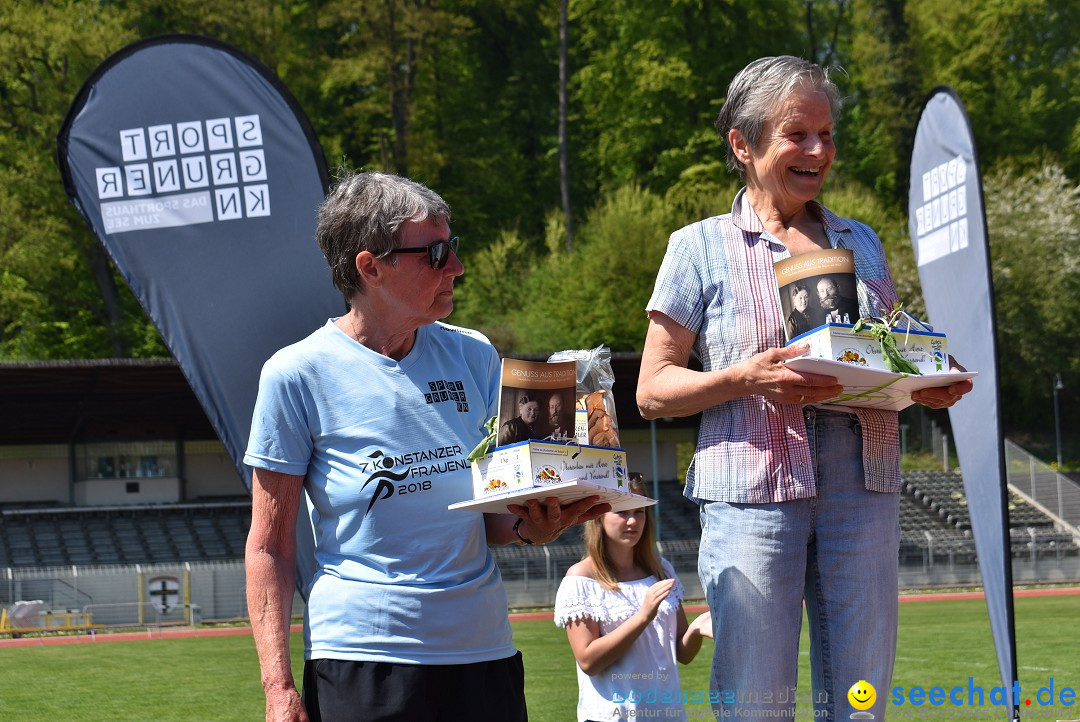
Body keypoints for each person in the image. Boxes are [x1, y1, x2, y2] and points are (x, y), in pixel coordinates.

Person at [635, 56, 973, 722]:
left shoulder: (863, 243)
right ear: (743, 143)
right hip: (751, 496)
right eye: (797, 134)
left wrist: (922, 379)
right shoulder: (697, 247)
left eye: (826, 134)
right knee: (755, 701)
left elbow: (881, 350)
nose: (818, 150)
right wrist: (744, 377)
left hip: (863, 491)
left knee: (860, 698)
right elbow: (651, 390)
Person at [244, 170, 609, 722]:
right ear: (370, 267)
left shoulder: (475, 356)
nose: (457, 267)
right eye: (435, 253)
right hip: (362, 659)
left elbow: (491, 513)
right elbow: (269, 544)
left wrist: (533, 523)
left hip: (482, 651)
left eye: (453, 247)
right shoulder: (297, 373)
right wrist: (277, 687)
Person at [554, 475, 712, 721]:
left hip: (666, 714)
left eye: (639, 511)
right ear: (599, 517)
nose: (632, 521)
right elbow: (588, 661)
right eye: (622, 512)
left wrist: (697, 628)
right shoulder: (581, 579)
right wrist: (643, 617)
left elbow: (682, 654)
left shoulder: (661, 569)